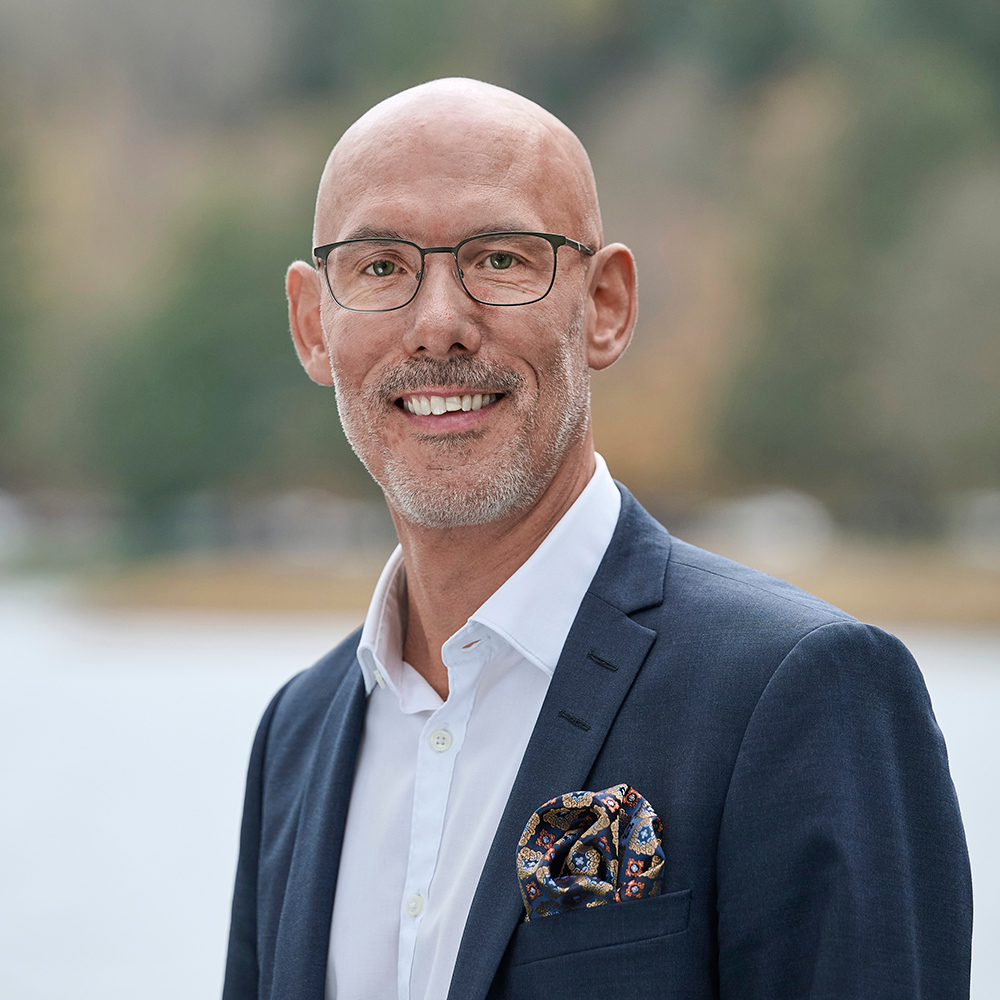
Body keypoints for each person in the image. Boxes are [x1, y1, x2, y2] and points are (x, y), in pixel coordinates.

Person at [223, 78, 972, 1000]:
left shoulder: (801, 691)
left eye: (499, 259)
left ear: (606, 304)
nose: (438, 325)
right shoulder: (298, 732)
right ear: (313, 324)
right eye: (380, 267)